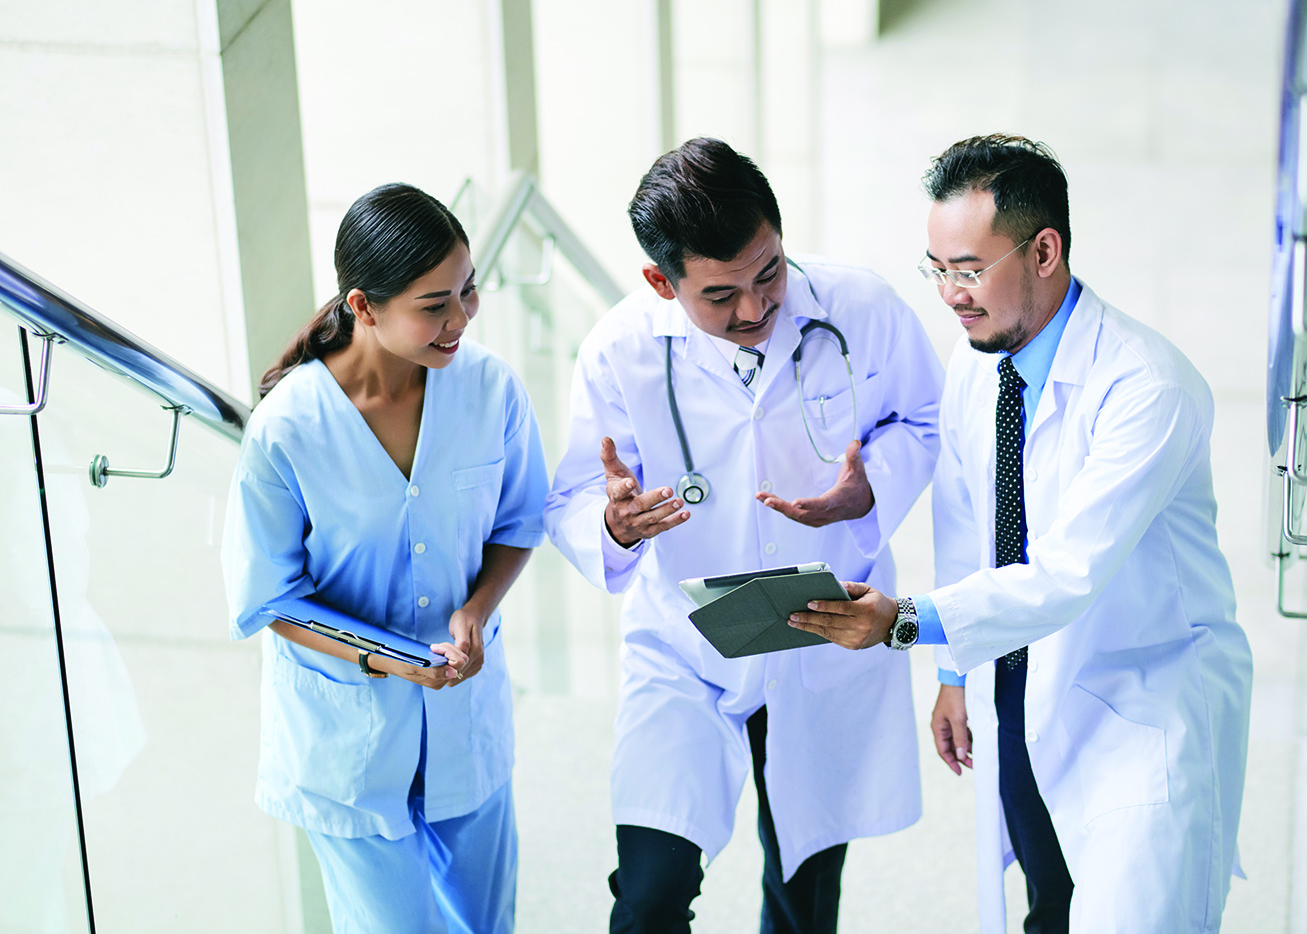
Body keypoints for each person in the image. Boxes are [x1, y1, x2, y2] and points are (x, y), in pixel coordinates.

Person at [790, 134, 1254, 932]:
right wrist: (954, 672)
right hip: (1022, 692)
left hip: (1144, 706)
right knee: (1049, 904)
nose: (950, 294)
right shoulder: (979, 364)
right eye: (936, 269)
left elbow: (1067, 572)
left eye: (969, 269)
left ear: (1045, 250)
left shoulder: (1147, 388)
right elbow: (968, 528)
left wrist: (902, 620)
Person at [544, 137, 943, 933]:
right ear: (662, 282)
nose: (756, 310)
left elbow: (926, 419)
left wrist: (872, 488)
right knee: (649, 899)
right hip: (687, 649)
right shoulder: (620, 351)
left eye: (769, 273)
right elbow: (574, 497)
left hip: (820, 634)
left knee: (802, 900)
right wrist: (614, 527)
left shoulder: (858, 308)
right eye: (720, 295)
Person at [221, 183, 548, 934]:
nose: (460, 318)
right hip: (347, 745)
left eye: (468, 291)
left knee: (487, 926)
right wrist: (385, 659)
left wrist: (475, 610)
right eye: (435, 305)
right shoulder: (288, 430)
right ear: (365, 307)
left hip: (467, 718)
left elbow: (521, 518)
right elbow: (270, 597)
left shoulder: (488, 387)